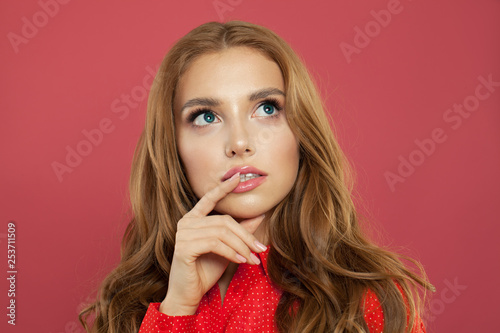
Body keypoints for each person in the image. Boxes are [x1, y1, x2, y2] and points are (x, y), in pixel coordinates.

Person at [79, 20, 434, 333]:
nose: (239, 143)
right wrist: (177, 310)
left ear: (301, 131)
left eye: (266, 109)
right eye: (205, 117)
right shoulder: (130, 307)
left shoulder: (369, 301)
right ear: (173, 147)